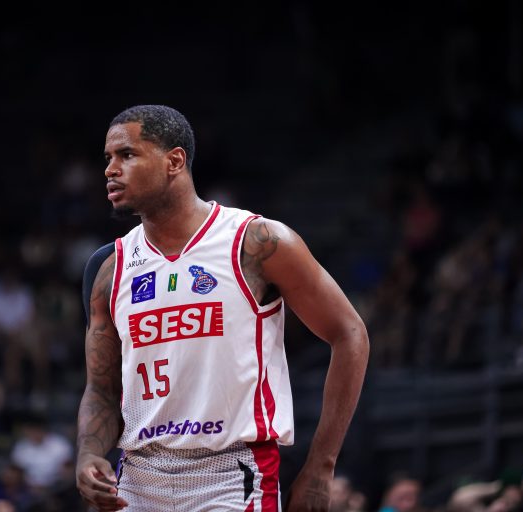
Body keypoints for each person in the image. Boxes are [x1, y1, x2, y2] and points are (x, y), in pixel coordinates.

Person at [75, 105, 369, 511]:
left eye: (127, 154)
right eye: (108, 158)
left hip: (233, 472)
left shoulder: (257, 242)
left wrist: (321, 466)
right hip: (138, 476)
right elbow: (102, 388)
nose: (110, 169)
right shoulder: (109, 269)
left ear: (174, 161)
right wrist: (89, 453)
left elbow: (350, 333)